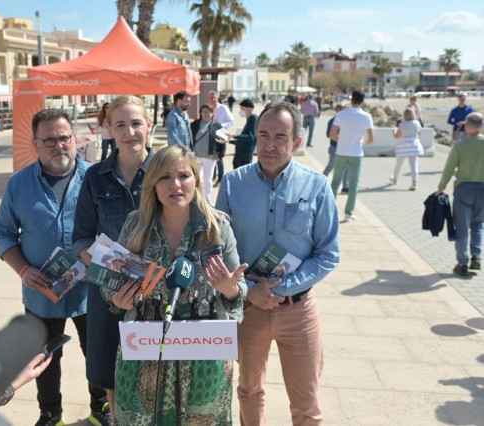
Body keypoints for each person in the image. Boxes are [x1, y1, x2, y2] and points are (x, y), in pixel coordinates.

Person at [216, 101, 340, 425]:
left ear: (297, 142)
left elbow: (328, 253)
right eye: (263, 135)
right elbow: (218, 249)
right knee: (248, 392)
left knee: (307, 405)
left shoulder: (317, 186)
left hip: (298, 312)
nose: (270, 145)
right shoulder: (232, 184)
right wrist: (249, 290)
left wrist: (282, 289)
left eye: (281, 136)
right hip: (248, 310)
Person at [106, 145, 247, 424]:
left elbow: (238, 289)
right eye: (165, 177)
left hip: (204, 354)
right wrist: (116, 298)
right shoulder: (135, 226)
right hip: (144, 349)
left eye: (184, 176)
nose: (175, 185)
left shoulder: (217, 227)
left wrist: (230, 289)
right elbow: (109, 283)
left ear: (196, 179)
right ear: (153, 184)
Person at [0, 108, 109, 426]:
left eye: (65, 138)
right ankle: (50, 414)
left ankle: (101, 408)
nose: (59, 146)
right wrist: (22, 269)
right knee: (43, 358)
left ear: (75, 139)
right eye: (50, 140)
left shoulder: (97, 179)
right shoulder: (19, 184)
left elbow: (117, 230)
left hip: (92, 289)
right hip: (42, 293)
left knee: (98, 352)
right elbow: (4, 234)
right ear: (35, 143)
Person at [72, 95, 155, 421]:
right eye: (120, 124)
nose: (130, 131)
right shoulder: (94, 177)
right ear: (108, 129)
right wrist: (110, 264)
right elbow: (80, 236)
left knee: (155, 372)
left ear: (148, 125)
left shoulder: (168, 170)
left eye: (136, 123)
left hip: (154, 291)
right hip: (108, 292)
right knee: (110, 371)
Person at [435, 112, 484, 277]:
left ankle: (462, 263)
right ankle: (476, 256)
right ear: (482, 127)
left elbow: (449, 168)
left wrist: (441, 187)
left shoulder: (460, 146)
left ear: (467, 127)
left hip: (464, 190)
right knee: (478, 224)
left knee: (462, 228)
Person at [329, 90, 374, 222]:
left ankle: (330, 211)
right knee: (354, 184)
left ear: (351, 99)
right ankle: (349, 213)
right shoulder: (366, 117)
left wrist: (342, 140)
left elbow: (332, 134)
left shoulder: (341, 114)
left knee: (335, 182)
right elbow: (371, 139)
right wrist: (361, 142)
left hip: (341, 152)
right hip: (356, 154)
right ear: (363, 101)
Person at [190, 104, 225, 202]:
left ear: (212, 113)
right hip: (196, 157)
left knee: (208, 180)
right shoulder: (195, 124)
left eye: (208, 112)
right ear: (200, 113)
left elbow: (223, 140)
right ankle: (195, 198)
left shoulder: (217, 125)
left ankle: (207, 200)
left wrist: (221, 154)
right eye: (204, 112)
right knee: (195, 179)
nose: (206, 114)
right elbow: (189, 138)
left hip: (210, 157)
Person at [390, 107, 424, 191]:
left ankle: (394, 179)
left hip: (403, 147)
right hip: (414, 147)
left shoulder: (402, 124)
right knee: (414, 166)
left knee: (398, 165)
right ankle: (414, 183)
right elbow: (419, 134)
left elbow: (396, 136)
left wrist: (394, 131)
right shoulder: (417, 123)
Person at [208, 90, 234, 186]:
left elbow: (232, 121)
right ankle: (213, 176)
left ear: (217, 97)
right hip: (210, 136)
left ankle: (220, 179)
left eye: (214, 97)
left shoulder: (223, 108)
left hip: (221, 135)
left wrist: (219, 125)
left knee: (219, 158)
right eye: (211, 98)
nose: (213, 99)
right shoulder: (208, 108)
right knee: (211, 156)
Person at [323, 104, 349, 193]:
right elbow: (328, 134)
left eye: (343, 107)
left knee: (346, 167)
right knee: (331, 166)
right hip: (334, 147)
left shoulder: (347, 120)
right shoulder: (332, 121)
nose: (342, 109)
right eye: (340, 108)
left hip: (344, 148)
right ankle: (321, 181)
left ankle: (346, 187)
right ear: (336, 110)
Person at [229, 98, 258, 169]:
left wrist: (235, 136)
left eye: (242, 109)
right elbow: (243, 140)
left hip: (245, 156)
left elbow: (250, 137)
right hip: (240, 155)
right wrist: (229, 141)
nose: (240, 111)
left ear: (249, 109)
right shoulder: (249, 119)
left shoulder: (253, 118)